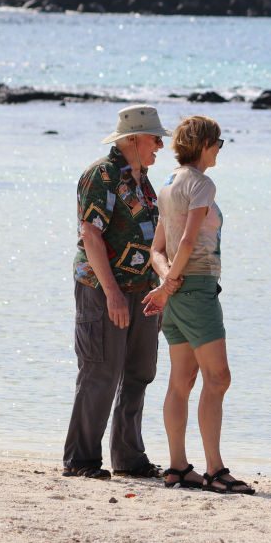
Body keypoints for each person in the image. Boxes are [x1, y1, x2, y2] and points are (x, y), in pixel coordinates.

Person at [64, 104, 178, 480]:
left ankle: (128, 459)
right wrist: (112, 293)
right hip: (103, 289)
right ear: (132, 139)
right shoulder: (103, 175)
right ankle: (81, 460)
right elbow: (90, 235)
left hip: (141, 290)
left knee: (139, 372)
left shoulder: (141, 179)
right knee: (100, 371)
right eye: (154, 138)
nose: (160, 145)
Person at [143, 115, 255, 495]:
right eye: (218, 142)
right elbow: (188, 242)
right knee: (218, 378)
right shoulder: (202, 185)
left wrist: (165, 285)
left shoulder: (169, 184)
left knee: (182, 380)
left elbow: (156, 249)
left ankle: (176, 466)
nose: (220, 149)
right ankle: (215, 470)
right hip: (197, 289)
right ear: (204, 145)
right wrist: (171, 283)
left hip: (176, 293)